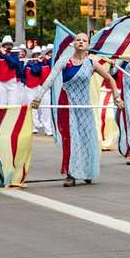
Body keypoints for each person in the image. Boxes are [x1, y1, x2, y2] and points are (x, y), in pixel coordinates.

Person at [30, 33, 123, 187]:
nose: (80, 42)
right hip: (67, 104)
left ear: (88, 45)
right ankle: (70, 173)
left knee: (88, 138)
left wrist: (117, 97)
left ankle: (87, 171)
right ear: (73, 43)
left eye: (84, 40)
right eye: (78, 40)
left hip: (84, 106)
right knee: (71, 139)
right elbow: (50, 79)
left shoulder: (91, 63)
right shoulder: (65, 61)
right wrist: (38, 97)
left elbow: (111, 79)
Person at [21, 49, 54, 136]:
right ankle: (33, 127)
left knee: (46, 108)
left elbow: (54, 66)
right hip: (32, 88)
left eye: (39, 54)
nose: (37, 56)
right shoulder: (29, 64)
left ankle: (48, 129)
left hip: (44, 88)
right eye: (35, 54)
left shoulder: (48, 63)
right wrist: (26, 82)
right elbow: (35, 71)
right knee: (32, 107)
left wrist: (48, 59)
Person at [0, 36, 22, 106]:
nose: (8, 46)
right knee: (1, 104)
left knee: (13, 103)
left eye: (10, 44)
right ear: (3, 46)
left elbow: (13, 64)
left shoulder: (15, 55)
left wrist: (5, 55)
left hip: (11, 81)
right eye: (6, 44)